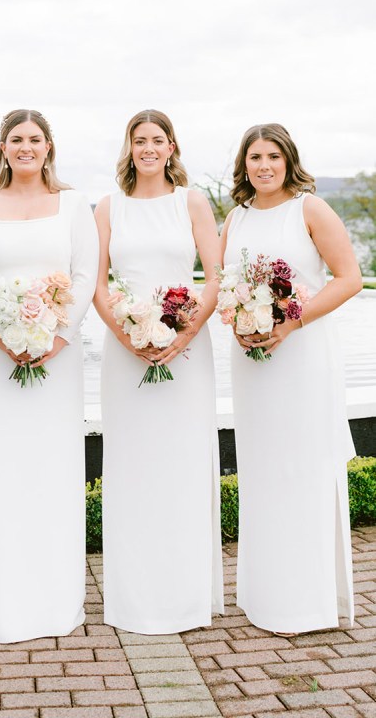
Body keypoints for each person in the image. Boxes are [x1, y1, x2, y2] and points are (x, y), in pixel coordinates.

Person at [0, 109, 99, 643]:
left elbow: (85, 275)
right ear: (2, 147)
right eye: (16, 139)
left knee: (49, 467)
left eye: (35, 139)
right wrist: (0, 335)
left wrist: (56, 338)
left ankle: (52, 600)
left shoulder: (74, 203)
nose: (26, 147)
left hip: (56, 358)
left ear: (49, 147)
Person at [221, 123, 362, 634]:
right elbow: (222, 283)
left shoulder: (310, 208)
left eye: (273, 156)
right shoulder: (234, 219)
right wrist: (238, 320)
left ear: (288, 161)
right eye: (254, 156)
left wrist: (290, 321)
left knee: (302, 466)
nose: (263, 165)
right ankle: (266, 596)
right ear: (244, 164)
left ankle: (306, 603)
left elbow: (349, 278)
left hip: (301, 353)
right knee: (262, 468)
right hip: (252, 360)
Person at [93, 109, 223, 633]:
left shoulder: (190, 201)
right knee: (133, 464)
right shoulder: (108, 207)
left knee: (182, 461)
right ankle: (135, 598)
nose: (148, 148)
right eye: (139, 140)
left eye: (157, 140)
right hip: (125, 351)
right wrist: (128, 335)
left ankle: (185, 596)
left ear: (172, 147)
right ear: (129, 147)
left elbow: (215, 277)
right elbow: (98, 284)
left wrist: (184, 333)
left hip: (187, 350)